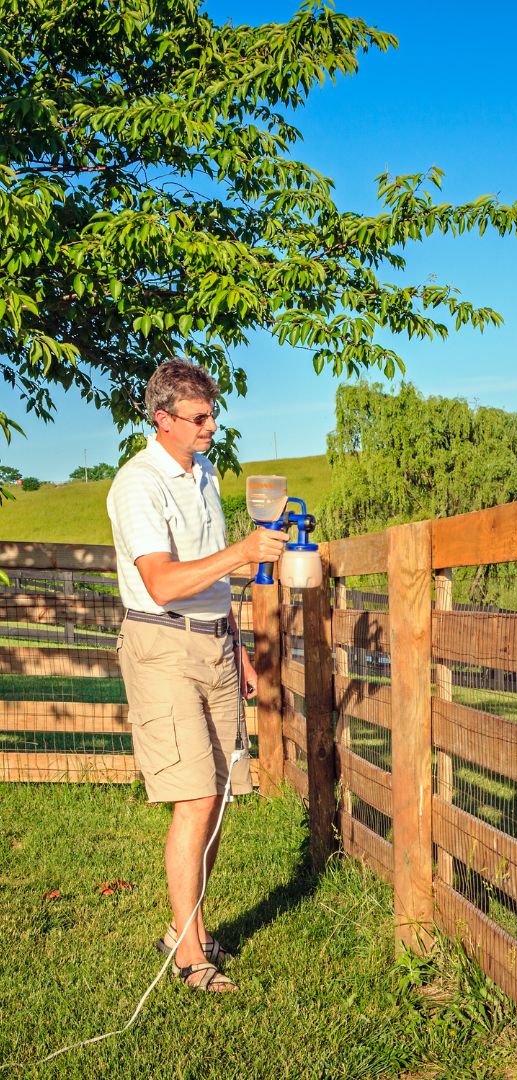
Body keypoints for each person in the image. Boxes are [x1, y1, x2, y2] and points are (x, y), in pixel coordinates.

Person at [107, 359, 288, 992]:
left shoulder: (204, 473)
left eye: (213, 415)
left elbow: (207, 579)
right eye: (200, 417)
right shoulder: (138, 484)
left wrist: (236, 645)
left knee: (218, 795)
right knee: (196, 797)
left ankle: (187, 928)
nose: (212, 426)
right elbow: (161, 583)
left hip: (213, 644)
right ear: (163, 419)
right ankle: (189, 955)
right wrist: (244, 551)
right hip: (162, 645)